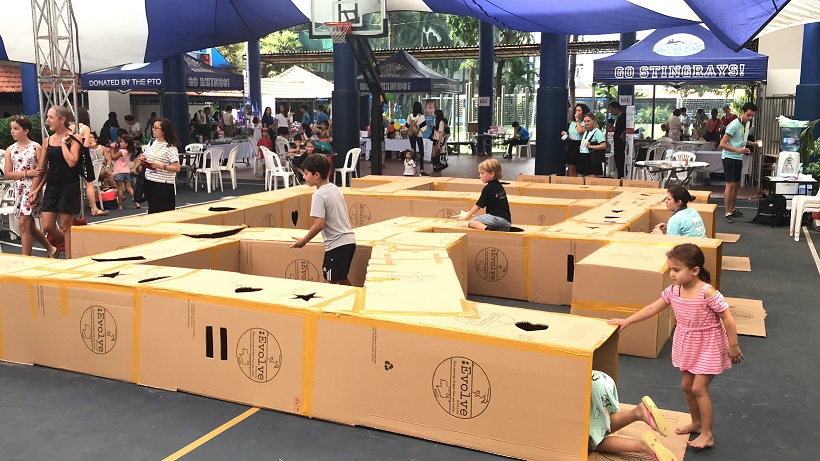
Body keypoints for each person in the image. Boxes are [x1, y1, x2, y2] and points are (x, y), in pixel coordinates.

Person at [608, 243, 743, 449]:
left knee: (699, 388)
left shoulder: (707, 292)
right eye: (670, 269)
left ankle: (707, 434)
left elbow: (728, 317)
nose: (672, 274)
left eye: (677, 270)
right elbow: (653, 308)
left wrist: (733, 345)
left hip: (708, 344)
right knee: (686, 386)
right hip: (688, 343)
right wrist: (627, 321)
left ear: (695, 271)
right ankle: (696, 423)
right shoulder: (673, 291)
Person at [291, 154, 357, 286]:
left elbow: (319, 224)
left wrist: (303, 241)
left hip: (336, 245)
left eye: (305, 173)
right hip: (349, 242)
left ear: (316, 175)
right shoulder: (335, 188)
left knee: (329, 282)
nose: (303, 177)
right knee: (341, 278)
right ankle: (355, 301)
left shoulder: (319, 195)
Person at [587, 370, 676, 461]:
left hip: (588, 388)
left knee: (589, 442)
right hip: (598, 377)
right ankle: (637, 412)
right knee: (601, 427)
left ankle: (642, 446)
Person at [3, 116, 59, 258]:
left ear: (26, 130)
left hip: (31, 188)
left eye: (16, 129)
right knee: (29, 226)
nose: (12, 132)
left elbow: (42, 171)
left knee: (23, 224)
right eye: (12, 129)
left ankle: (26, 258)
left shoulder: (36, 147)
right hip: (18, 189)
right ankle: (51, 248)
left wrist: (37, 189)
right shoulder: (10, 149)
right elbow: (8, 174)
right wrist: (27, 172)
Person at [41, 106, 81, 259]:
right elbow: (42, 168)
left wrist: (64, 143)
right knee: (47, 225)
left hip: (69, 185)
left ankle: (70, 260)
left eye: (51, 117)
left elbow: (72, 162)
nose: (48, 120)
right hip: (52, 186)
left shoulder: (75, 138)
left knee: (66, 226)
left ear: (62, 119)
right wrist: (36, 188)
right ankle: (72, 244)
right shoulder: (48, 140)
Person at [719, 102, 757, 223]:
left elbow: (741, 140)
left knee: (736, 184)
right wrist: (738, 150)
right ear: (742, 112)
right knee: (730, 185)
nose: (750, 118)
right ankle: (727, 213)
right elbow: (722, 144)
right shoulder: (734, 125)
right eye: (748, 115)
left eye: (752, 116)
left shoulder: (746, 123)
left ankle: (733, 209)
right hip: (729, 157)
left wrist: (753, 143)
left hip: (737, 157)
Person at [137, 118, 180, 214]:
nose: (153, 130)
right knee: (152, 210)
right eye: (153, 127)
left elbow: (177, 168)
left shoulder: (170, 147)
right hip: (150, 181)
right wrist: (143, 159)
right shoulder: (152, 142)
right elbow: (146, 155)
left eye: (156, 128)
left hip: (163, 184)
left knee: (163, 213)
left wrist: (162, 166)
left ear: (164, 131)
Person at [456, 158, 511, 231]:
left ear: (492, 174)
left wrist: (466, 216)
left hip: (496, 219)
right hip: (506, 222)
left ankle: (486, 229)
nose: (480, 176)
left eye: (482, 173)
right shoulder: (499, 186)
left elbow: (478, 205)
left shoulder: (488, 188)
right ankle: (491, 228)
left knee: (472, 222)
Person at [110, 134, 140, 210]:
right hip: (126, 171)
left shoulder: (121, 151)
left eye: (122, 142)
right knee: (129, 188)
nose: (120, 143)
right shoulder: (128, 151)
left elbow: (113, 157)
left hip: (119, 171)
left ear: (126, 144)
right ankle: (137, 203)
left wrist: (112, 149)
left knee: (120, 189)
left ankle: (120, 205)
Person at [562, 103, 588, 177]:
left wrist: (577, 121)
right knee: (571, 169)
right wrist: (565, 135)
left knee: (580, 170)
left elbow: (580, 131)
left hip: (580, 145)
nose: (577, 112)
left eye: (579, 110)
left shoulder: (584, 122)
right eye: (576, 110)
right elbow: (571, 134)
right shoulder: (572, 122)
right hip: (571, 145)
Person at [578, 113, 606, 177]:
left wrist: (591, 146)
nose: (586, 123)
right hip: (583, 156)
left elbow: (603, 145)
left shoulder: (597, 132)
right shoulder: (586, 131)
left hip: (592, 158)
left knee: (592, 178)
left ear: (593, 121)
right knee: (583, 178)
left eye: (588, 121)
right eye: (585, 121)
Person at [405, 101, 428, 174]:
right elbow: (424, 128)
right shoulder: (421, 117)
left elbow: (406, 126)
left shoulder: (410, 116)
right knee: (421, 151)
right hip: (419, 136)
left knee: (413, 152)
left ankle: (412, 167)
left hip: (411, 136)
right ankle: (421, 169)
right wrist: (420, 132)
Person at [608, 102, 626, 178]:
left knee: (620, 161)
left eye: (611, 110)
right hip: (617, 144)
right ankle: (619, 176)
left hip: (620, 144)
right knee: (617, 162)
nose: (611, 112)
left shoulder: (623, 116)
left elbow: (628, 128)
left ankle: (621, 177)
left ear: (616, 109)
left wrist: (623, 134)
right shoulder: (618, 117)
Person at [429, 109, 447, 176]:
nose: (434, 115)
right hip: (434, 140)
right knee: (433, 156)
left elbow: (441, 133)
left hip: (437, 141)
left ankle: (438, 171)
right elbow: (436, 131)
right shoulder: (437, 122)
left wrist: (439, 143)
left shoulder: (441, 122)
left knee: (437, 156)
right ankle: (435, 170)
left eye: (435, 114)